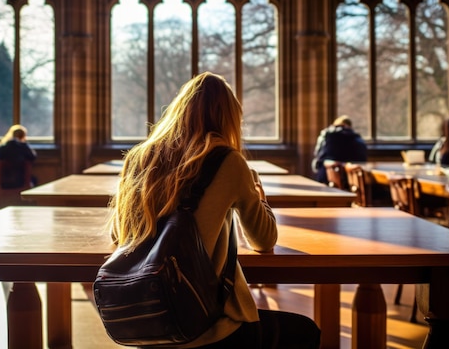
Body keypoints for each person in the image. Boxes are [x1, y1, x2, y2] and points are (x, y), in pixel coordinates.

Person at [108, 72, 320, 349]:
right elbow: (263, 240)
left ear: (178, 111)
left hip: (144, 319)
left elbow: (118, 234)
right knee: (306, 331)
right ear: (230, 118)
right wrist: (259, 197)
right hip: (204, 326)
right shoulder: (228, 161)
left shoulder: (138, 158)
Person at [311, 115, 367, 184]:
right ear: (350, 126)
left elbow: (317, 153)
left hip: (326, 176)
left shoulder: (326, 135)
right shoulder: (356, 138)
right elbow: (362, 159)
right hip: (352, 179)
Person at [0, 124, 37, 189]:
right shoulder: (24, 147)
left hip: (2, 180)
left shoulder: (3, 147)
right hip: (20, 179)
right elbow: (32, 157)